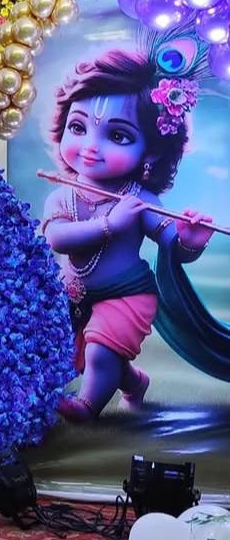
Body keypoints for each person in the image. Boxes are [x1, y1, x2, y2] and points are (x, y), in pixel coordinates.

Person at [40, 49, 216, 422]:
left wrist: (189, 241)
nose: (91, 146)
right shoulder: (61, 196)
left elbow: (171, 244)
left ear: (150, 153)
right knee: (72, 352)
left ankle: (87, 407)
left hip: (128, 293)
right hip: (71, 293)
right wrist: (109, 225)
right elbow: (56, 239)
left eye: (118, 136)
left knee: (101, 351)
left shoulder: (139, 199)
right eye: (78, 128)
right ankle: (134, 382)